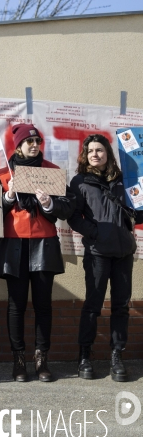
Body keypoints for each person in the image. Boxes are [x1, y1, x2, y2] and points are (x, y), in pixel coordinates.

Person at [0, 124, 75, 382]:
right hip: (14, 244)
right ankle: (19, 361)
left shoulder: (51, 172)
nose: (34, 145)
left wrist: (49, 203)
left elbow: (66, 208)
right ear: (17, 146)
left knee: (43, 305)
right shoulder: (3, 174)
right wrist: (7, 198)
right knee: (16, 306)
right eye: (28, 141)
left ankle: (42, 360)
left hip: (44, 244)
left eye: (37, 141)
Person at [67, 134, 143, 382]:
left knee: (121, 306)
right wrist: (95, 233)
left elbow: (137, 216)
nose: (95, 155)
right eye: (90, 151)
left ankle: (116, 356)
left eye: (99, 150)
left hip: (123, 252)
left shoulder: (124, 181)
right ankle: (84, 357)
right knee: (93, 304)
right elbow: (73, 217)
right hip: (98, 253)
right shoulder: (79, 182)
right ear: (85, 155)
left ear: (108, 153)